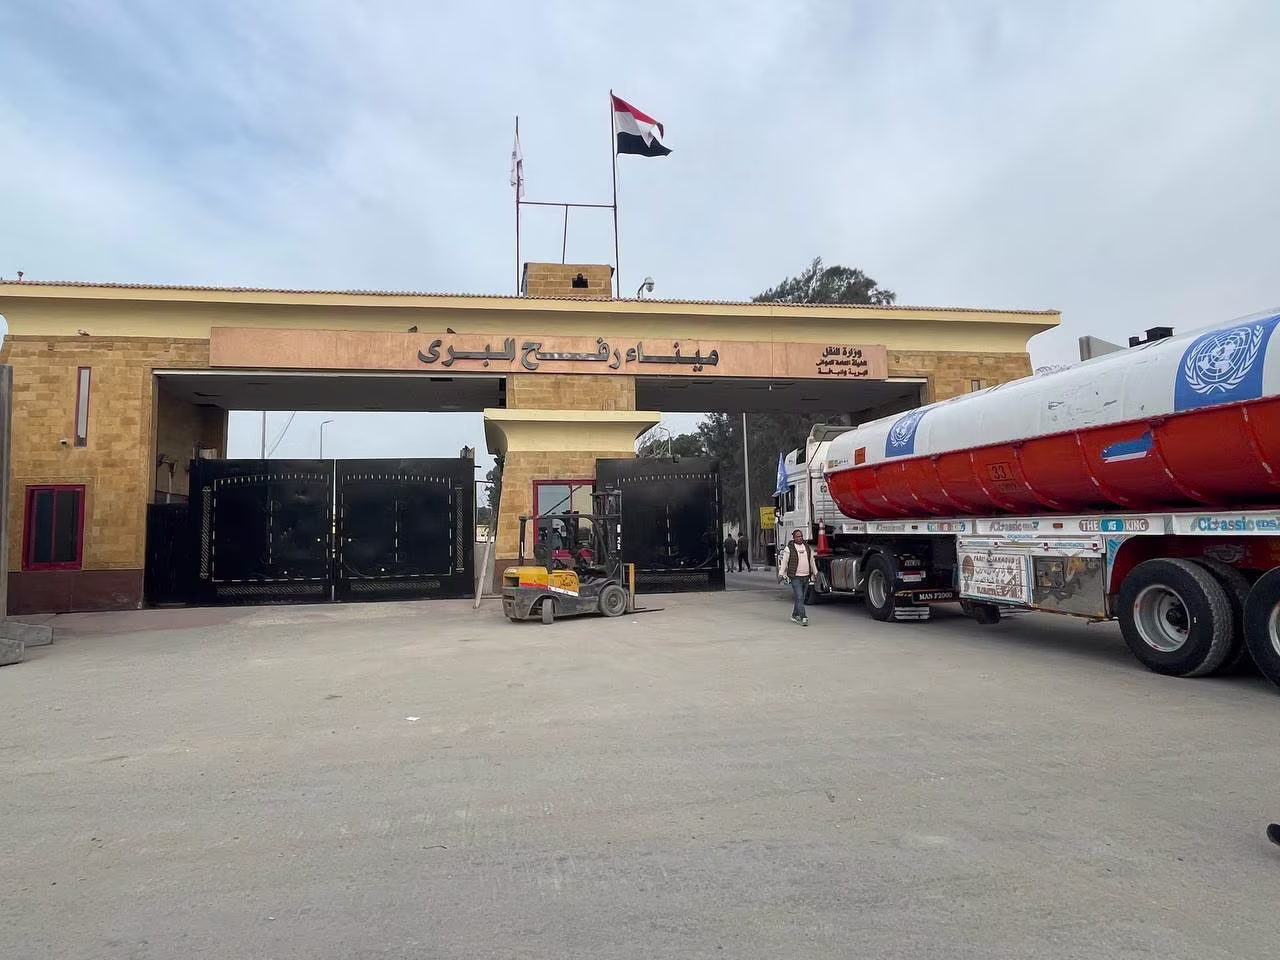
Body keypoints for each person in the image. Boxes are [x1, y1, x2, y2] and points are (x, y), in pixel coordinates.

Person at [778, 528, 817, 626]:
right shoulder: (789, 549)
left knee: (801, 598)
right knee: (799, 596)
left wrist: (815, 573)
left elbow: (812, 561)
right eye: (798, 536)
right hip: (795, 577)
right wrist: (781, 574)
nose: (800, 538)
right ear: (794, 538)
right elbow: (784, 562)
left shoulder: (807, 547)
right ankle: (803, 617)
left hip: (806, 577)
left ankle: (795, 614)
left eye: (801, 536)